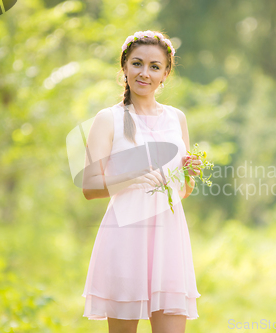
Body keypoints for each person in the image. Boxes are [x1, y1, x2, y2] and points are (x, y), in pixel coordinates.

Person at [80, 30, 203, 333]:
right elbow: (90, 187)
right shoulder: (108, 119)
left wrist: (189, 174)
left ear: (165, 74)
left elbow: (182, 192)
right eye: (137, 63)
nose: (144, 73)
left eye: (154, 66)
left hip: (169, 242)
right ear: (124, 67)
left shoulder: (177, 119)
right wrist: (134, 172)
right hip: (125, 239)